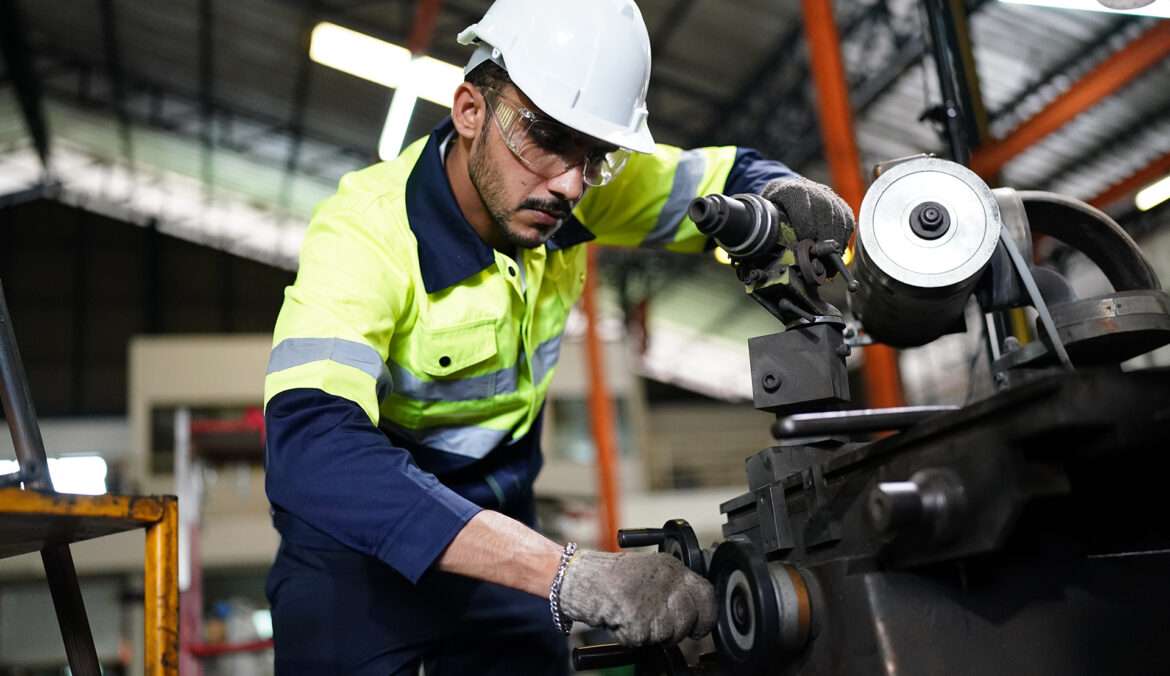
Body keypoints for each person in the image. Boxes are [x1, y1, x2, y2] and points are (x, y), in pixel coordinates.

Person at [262, 1, 854, 674]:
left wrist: (779, 192)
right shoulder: (365, 235)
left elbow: (718, 180)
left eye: (594, 155)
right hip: (355, 549)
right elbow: (312, 449)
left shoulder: (568, 183)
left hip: (499, 528)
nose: (570, 184)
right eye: (544, 137)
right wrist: (566, 573)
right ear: (469, 111)